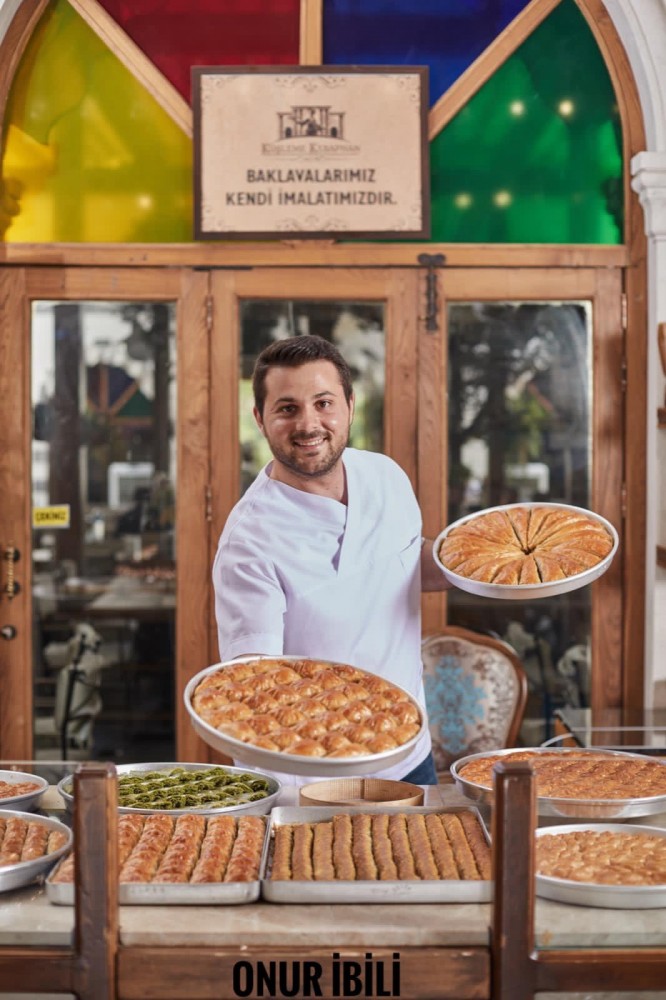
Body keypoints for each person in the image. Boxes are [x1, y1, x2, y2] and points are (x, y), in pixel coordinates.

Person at [212, 334, 451, 785]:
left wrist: (479, 568)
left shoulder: (386, 476)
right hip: (309, 778)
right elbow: (255, 687)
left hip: (408, 753)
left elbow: (402, 565)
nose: (309, 424)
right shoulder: (249, 542)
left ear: (349, 407)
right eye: (287, 409)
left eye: (324, 403)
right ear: (260, 419)